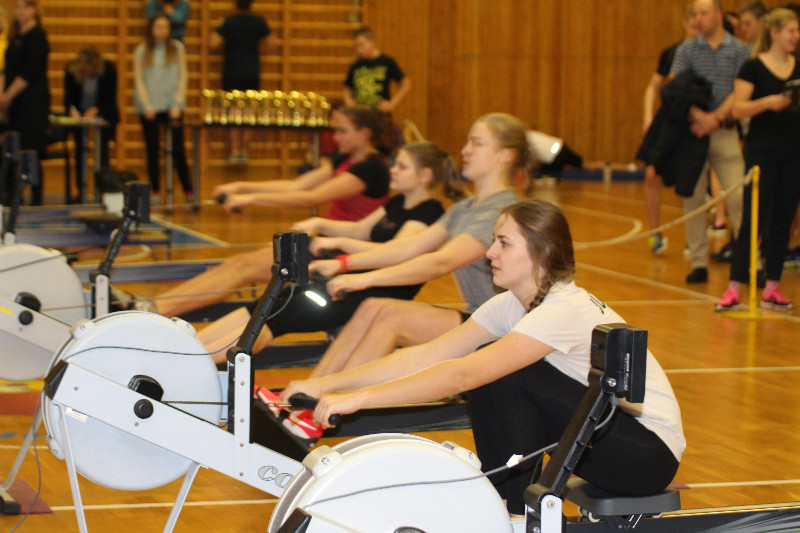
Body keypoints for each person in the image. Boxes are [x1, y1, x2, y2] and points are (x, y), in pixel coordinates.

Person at [281, 199, 686, 516]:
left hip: (645, 455)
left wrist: (362, 399)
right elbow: (430, 355)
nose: (490, 252)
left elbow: (460, 375)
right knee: (494, 367)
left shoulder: (563, 308)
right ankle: (506, 501)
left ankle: (514, 511)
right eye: (494, 240)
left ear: (541, 252)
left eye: (504, 243)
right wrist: (324, 386)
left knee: (503, 371)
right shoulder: (512, 303)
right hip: (604, 439)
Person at [264, 114, 527, 440]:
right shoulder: (465, 208)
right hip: (480, 317)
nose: (465, 150)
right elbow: (408, 248)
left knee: (390, 316)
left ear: (505, 155)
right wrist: (345, 263)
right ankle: (307, 396)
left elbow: (439, 262)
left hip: (504, 332)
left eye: (477, 143)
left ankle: (325, 408)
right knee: (373, 306)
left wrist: (361, 278)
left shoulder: (500, 210)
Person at [113, 105, 391, 317]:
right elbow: (295, 185)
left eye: (343, 131)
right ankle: (150, 306)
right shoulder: (343, 160)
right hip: (321, 243)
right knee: (235, 263)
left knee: (243, 268)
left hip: (341, 251)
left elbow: (310, 197)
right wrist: (241, 186)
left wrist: (249, 199)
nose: (336, 137)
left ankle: (152, 311)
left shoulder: (372, 168)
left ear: (364, 133)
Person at [199, 141, 465, 361]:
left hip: (373, 291)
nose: (393, 170)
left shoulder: (429, 213)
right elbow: (360, 230)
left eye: (402, 167)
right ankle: (193, 348)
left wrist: (339, 246)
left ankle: (201, 362)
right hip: (347, 283)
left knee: (281, 315)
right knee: (270, 300)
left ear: (424, 175)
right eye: (395, 164)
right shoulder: (397, 202)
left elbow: (392, 253)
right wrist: (319, 224)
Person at [716, 8, 800, 311]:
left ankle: (773, 285)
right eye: (791, 31)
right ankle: (734, 287)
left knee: (783, 221)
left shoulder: (798, 65)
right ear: (774, 33)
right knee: (755, 219)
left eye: (797, 31)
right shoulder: (753, 67)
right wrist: (768, 103)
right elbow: (738, 109)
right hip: (762, 152)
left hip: (793, 152)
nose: (796, 36)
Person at [670, 0, 749, 284]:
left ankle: (749, 259)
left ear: (718, 15)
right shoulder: (687, 49)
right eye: (695, 14)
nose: (698, 18)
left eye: (704, 13)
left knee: (739, 194)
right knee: (693, 197)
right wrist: (699, 116)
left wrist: (715, 118)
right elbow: (674, 86)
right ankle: (699, 261)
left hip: (725, 129)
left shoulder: (739, 50)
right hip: (693, 132)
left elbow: (741, 90)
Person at [641, 3, 698, 255]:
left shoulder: (708, 53)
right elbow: (654, 86)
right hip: (669, 120)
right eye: (693, 24)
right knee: (652, 174)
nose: (697, 29)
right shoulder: (672, 52)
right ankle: (655, 232)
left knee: (695, 181)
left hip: (696, 123)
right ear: (685, 23)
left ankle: (695, 238)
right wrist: (647, 115)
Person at [134, 13, 193, 204]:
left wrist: (177, 103)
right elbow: (139, 79)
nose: (162, 31)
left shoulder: (177, 48)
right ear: (151, 28)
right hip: (150, 107)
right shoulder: (142, 50)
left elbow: (183, 76)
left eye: (166, 27)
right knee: (152, 151)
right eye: (159, 26)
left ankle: (188, 191)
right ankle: (156, 191)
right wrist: (146, 104)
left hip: (172, 106)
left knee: (178, 150)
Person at [210, 0, 274, 164]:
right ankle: (245, 150)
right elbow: (271, 42)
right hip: (252, 70)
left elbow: (213, 43)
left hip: (232, 71)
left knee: (234, 111)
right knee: (248, 110)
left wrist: (219, 26)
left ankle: (234, 150)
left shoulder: (228, 21)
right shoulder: (259, 21)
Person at [0, 0, 49, 206]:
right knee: (13, 150)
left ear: (34, 10)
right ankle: (12, 198)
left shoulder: (37, 36)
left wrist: (8, 95)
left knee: (31, 150)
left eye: (25, 7)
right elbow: (7, 69)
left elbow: (29, 72)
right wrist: (3, 95)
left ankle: (36, 200)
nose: (20, 11)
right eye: (17, 7)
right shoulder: (15, 36)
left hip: (31, 104)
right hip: (15, 105)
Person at [64, 47, 120, 202]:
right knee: (80, 152)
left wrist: (97, 109)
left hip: (102, 115)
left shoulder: (108, 69)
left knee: (102, 154)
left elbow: (111, 99)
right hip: (80, 116)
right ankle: (81, 191)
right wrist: (73, 110)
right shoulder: (71, 70)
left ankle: (102, 192)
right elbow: (68, 98)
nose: (87, 73)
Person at [343, 26, 410, 114]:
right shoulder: (356, 65)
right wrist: (348, 101)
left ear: (372, 42)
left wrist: (391, 104)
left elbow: (406, 84)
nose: (359, 49)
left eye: (361, 45)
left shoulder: (386, 61)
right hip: (360, 114)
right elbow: (347, 88)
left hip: (380, 114)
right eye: (356, 46)